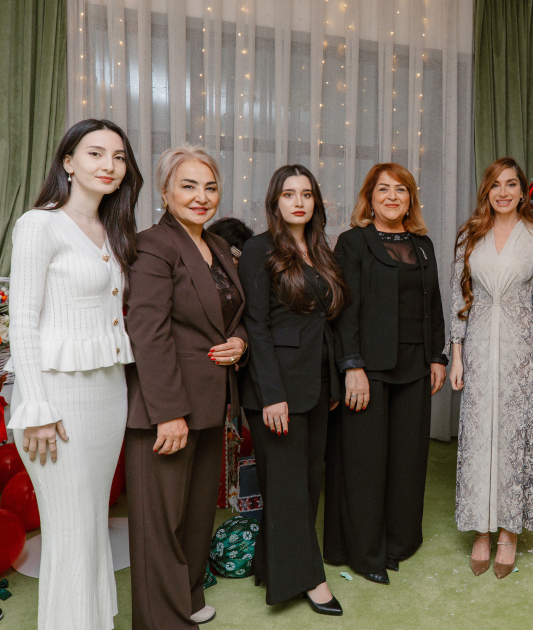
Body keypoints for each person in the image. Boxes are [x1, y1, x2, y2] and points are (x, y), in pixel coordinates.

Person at [7, 119, 142, 630]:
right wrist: (36, 408)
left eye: (119, 157)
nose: (109, 165)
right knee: (69, 532)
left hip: (106, 394)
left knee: (91, 527)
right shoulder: (39, 224)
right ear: (68, 161)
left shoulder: (111, 230)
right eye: (95, 153)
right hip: (56, 399)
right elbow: (23, 321)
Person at [124, 145, 248, 629]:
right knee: (159, 522)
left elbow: (232, 314)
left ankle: (189, 596)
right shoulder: (153, 244)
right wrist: (168, 412)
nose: (201, 197)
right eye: (188, 185)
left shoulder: (216, 244)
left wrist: (240, 342)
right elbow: (148, 332)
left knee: (196, 515)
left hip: (211, 400)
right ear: (165, 191)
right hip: (168, 405)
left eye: (210, 187)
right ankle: (162, 619)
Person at [323, 163, 448, 585]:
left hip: (416, 366)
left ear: (410, 199)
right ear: (369, 198)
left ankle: (399, 543)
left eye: (401, 190)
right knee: (366, 463)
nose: (392, 197)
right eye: (383, 190)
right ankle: (365, 552)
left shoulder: (423, 245)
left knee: (407, 460)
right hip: (369, 370)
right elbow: (344, 309)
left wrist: (438, 357)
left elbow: (433, 305)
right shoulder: (353, 242)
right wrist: (352, 365)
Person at [238, 165, 348, 615]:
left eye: (306, 194)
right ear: (275, 202)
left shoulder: (321, 249)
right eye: (289, 194)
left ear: (315, 202)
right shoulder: (258, 249)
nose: (298, 202)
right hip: (277, 387)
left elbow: (327, 322)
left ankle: (272, 564)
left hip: (317, 384)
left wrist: (335, 378)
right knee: (287, 488)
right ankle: (310, 580)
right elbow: (257, 325)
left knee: (306, 483)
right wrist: (272, 394)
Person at [448, 157, 533, 578]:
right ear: (486, 192)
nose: (503, 192)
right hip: (477, 345)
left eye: (511, 184)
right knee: (479, 435)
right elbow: (458, 297)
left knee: (514, 436)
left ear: (522, 190)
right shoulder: (469, 235)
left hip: (521, 349)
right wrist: (456, 354)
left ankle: (509, 531)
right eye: (495, 185)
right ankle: (481, 528)